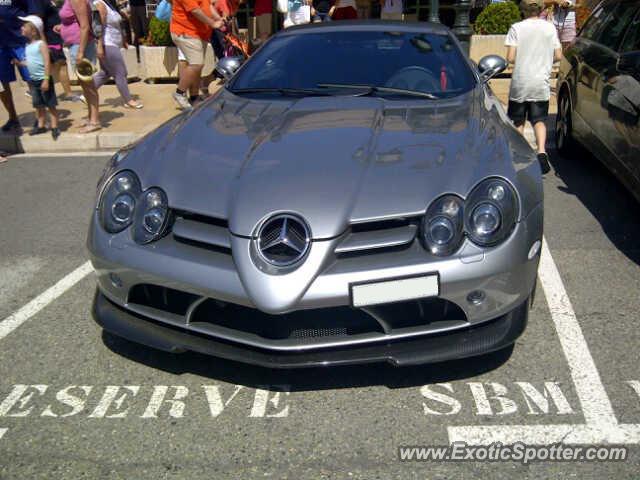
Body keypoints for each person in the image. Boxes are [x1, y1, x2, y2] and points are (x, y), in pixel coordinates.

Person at [505, 0, 562, 174]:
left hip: (521, 81)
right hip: (540, 81)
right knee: (539, 120)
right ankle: (542, 152)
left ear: (522, 10)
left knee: (518, 120)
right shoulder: (550, 28)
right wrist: (544, 61)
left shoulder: (516, 28)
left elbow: (511, 57)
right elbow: (559, 55)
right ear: (541, 9)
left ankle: (518, 153)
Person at [14, 15, 60, 139]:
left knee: (50, 104)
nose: (21, 27)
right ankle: (41, 125)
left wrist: (46, 79)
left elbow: (46, 62)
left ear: (33, 31)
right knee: (38, 104)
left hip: (43, 79)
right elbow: (30, 62)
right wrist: (19, 63)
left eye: (24, 26)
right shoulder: (28, 46)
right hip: (34, 80)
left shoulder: (41, 45)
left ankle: (55, 126)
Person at [170, 0, 222, 109]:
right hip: (185, 32)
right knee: (196, 64)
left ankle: (194, 97)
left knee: (197, 68)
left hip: (199, 33)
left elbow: (207, 5)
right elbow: (195, 10)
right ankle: (180, 93)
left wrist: (218, 18)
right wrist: (213, 23)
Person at [59, 0, 101, 132]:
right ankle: (91, 117)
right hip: (75, 44)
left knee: (89, 85)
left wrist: (80, 52)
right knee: (84, 84)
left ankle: (95, 121)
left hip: (80, 46)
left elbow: (85, 26)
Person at [93, 0, 143, 108]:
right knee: (121, 72)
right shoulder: (100, 4)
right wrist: (100, 45)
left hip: (113, 43)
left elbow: (118, 24)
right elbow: (98, 27)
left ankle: (87, 93)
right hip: (107, 43)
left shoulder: (109, 4)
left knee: (105, 72)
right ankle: (128, 100)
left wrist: (124, 40)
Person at [33, 0, 82, 102]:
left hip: (54, 39)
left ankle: (39, 91)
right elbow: (38, 23)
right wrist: (43, 43)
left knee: (54, 65)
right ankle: (68, 93)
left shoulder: (52, 3)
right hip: (50, 39)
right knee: (61, 64)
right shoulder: (43, 3)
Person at [0, 0, 37, 133]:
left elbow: (33, 15)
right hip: (1, 45)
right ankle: (13, 118)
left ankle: (40, 117)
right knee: (2, 85)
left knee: (32, 80)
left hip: (20, 42)